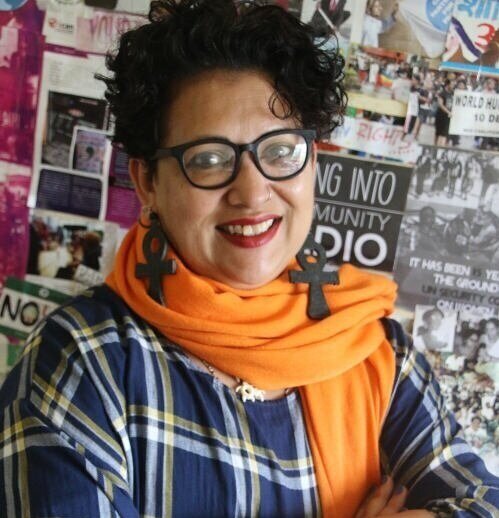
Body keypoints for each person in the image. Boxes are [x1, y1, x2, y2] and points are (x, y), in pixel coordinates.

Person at [0, 1, 498, 517]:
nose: (254, 192)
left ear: (312, 162)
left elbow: (481, 503)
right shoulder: (86, 362)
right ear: (149, 181)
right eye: (209, 159)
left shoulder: (373, 348)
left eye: (281, 151)